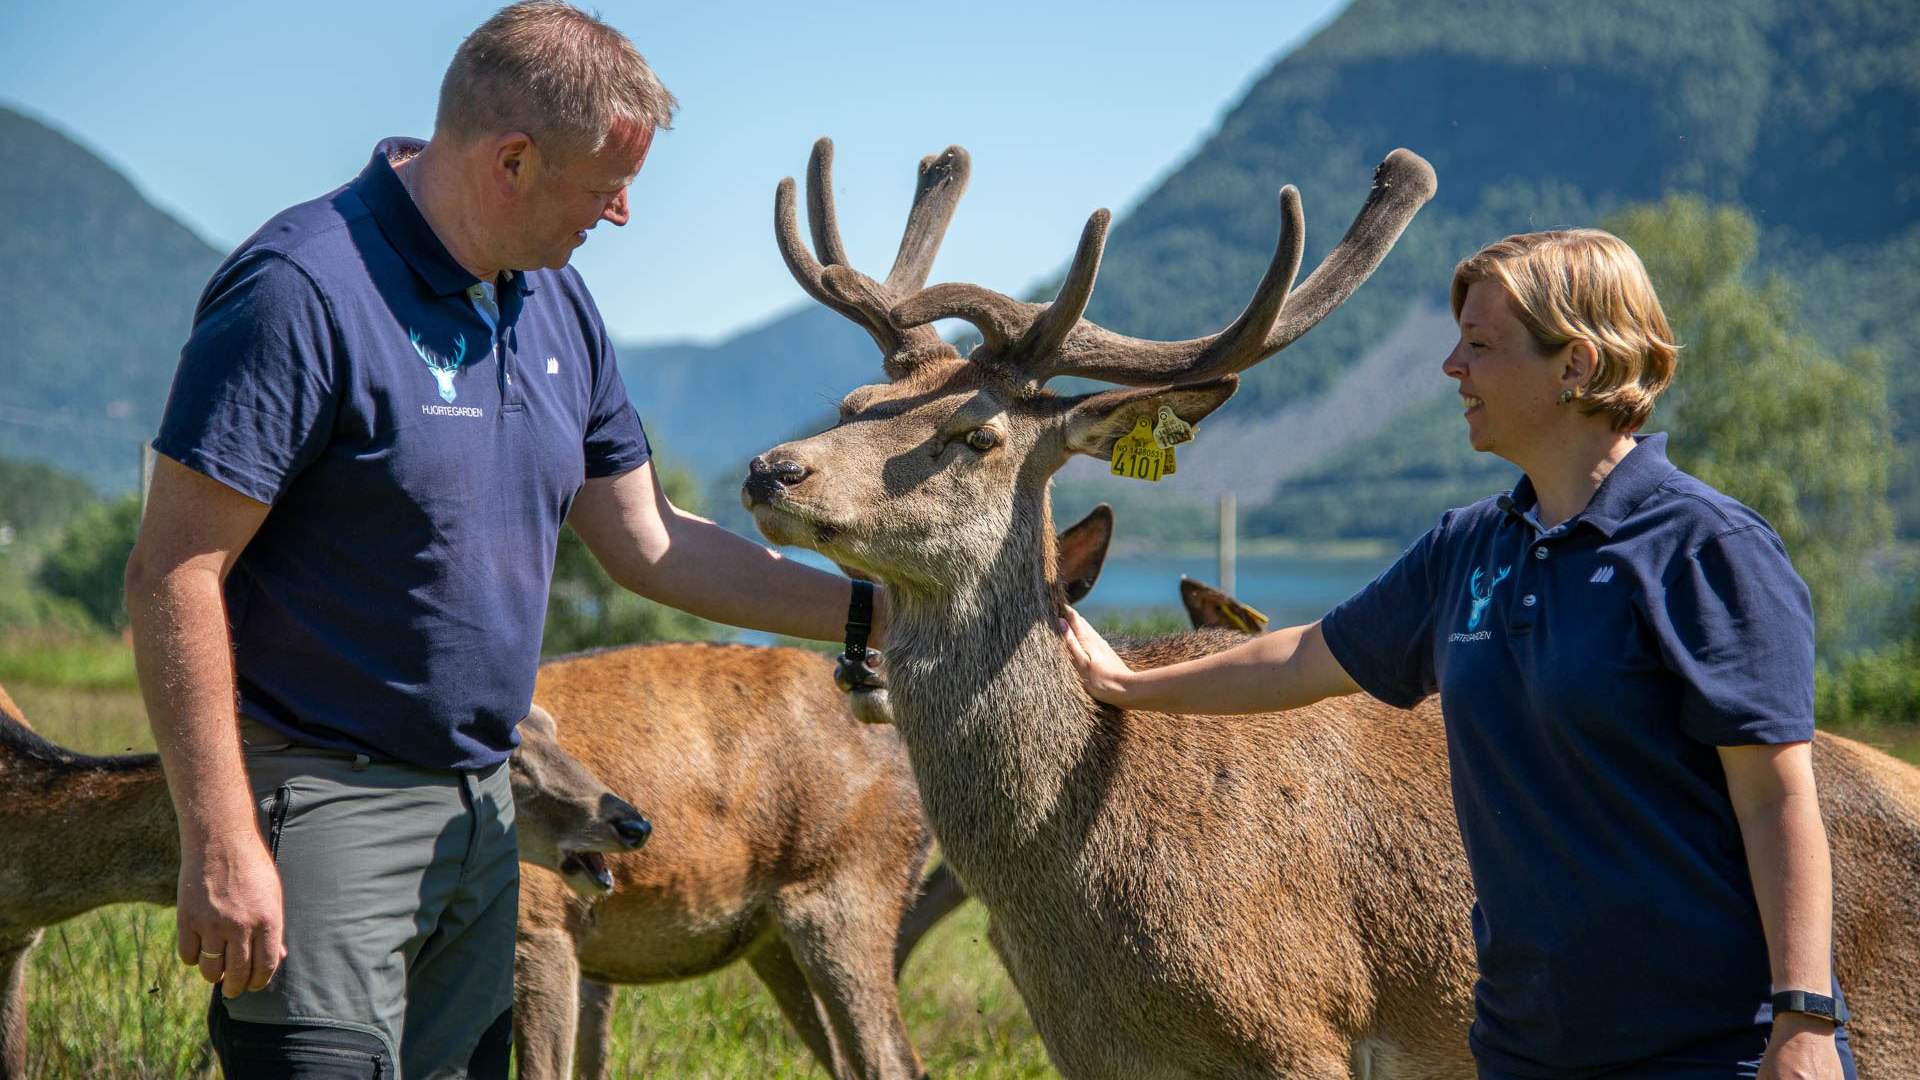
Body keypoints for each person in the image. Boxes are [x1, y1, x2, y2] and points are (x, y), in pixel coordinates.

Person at [122, 4, 878, 1076]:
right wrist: (219, 837)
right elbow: (172, 574)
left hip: (487, 815)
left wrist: (875, 611)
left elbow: (649, 541)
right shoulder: (301, 291)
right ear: (512, 160)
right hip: (325, 804)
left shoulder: (557, 307)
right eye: (605, 183)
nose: (621, 214)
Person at [1059, 229, 1855, 1079]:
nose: (1450, 367)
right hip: (1522, 1050)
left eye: (1479, 345)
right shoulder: (1470, 548)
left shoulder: (1706, 549)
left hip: (1699, 1053)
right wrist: (1124, 683)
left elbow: (1776, 803)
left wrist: (1803, 1022)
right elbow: (1300, 659)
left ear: (1575, 366)